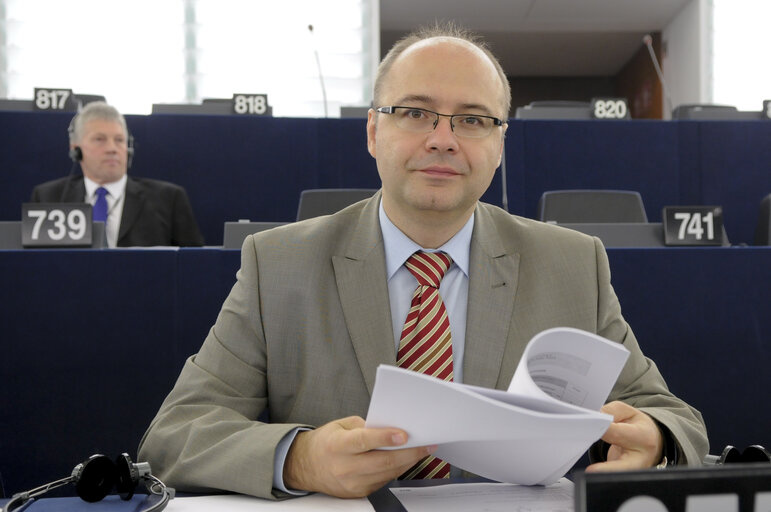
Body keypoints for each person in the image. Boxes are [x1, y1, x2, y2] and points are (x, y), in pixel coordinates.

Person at [138, 24, 708, 499]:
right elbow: (175, 436)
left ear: (500, 144)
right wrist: (300, 460)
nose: (442, 139)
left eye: (474, 119)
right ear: (372, 130)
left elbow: (671, 416)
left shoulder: (571, 263)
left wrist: (655, 440)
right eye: (415, 112)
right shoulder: (278, 264)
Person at [30, 101, 205, 247]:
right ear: (76, 150)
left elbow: (193, 267)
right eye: (100, 139)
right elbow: (34, 266)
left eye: (119, 140)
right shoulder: (48, 197)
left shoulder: (168, 199)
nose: (112, 149)